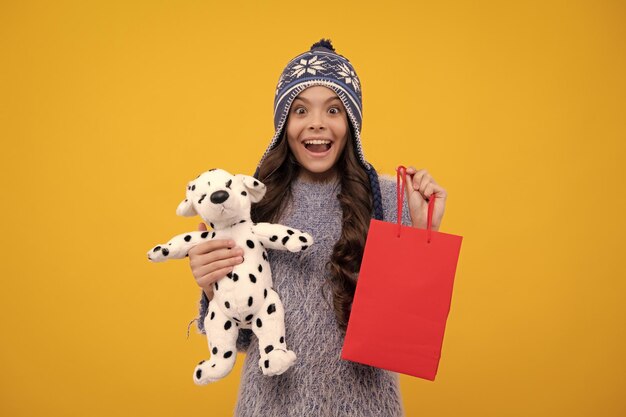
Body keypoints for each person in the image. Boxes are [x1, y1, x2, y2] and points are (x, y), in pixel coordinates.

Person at [188, 39, 447, 417]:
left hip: (370, 408)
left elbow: (403, 337)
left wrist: (422, 232)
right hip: (268, 407)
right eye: (300, 110)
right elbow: (243, 338)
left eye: (334, 109)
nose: (317, 123)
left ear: (351, 123)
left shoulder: (394, 199)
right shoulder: (249, 204)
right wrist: (212, 287)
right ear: (283, 124)